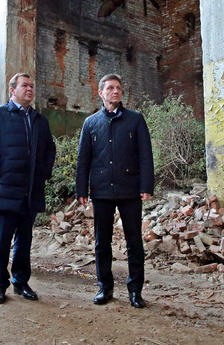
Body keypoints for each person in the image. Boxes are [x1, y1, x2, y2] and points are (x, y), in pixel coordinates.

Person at [0, 73, 56, 304]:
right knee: (1, 242)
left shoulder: (39, 120)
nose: (29, 89)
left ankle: (21, 282)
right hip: (4, 188)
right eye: (24, 86)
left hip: (30, 190)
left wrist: (44, 171)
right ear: (12, 90)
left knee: (24, 241)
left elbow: (49, 148)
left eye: (31, 86)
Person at [75, 73, 154, 309]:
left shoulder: (135, 120)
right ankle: (105, 288)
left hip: (130, 189)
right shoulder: (91, 123)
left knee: (134, 242)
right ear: (101, 93)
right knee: (102, 242)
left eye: (118, 87)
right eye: (110, 88)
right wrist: (82, 189)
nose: (115, 91)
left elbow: (145, 155)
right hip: (101, 190)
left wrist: (146, 186)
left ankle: (135, 291)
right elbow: (83, 159)